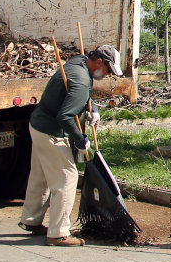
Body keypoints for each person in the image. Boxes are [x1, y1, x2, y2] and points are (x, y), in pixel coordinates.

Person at [20, 44, 120, 247]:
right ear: (98, 62)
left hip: (38, 125)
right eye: (108, 70)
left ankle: (31, 220)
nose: (108, 74)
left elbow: (77, 95)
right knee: (67, 177)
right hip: (51, 132)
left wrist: (93, 108)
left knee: (41, 176)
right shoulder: (81, 81)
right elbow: (65, 116)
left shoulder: (79, 62)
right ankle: (58, 234)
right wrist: (79, 138)